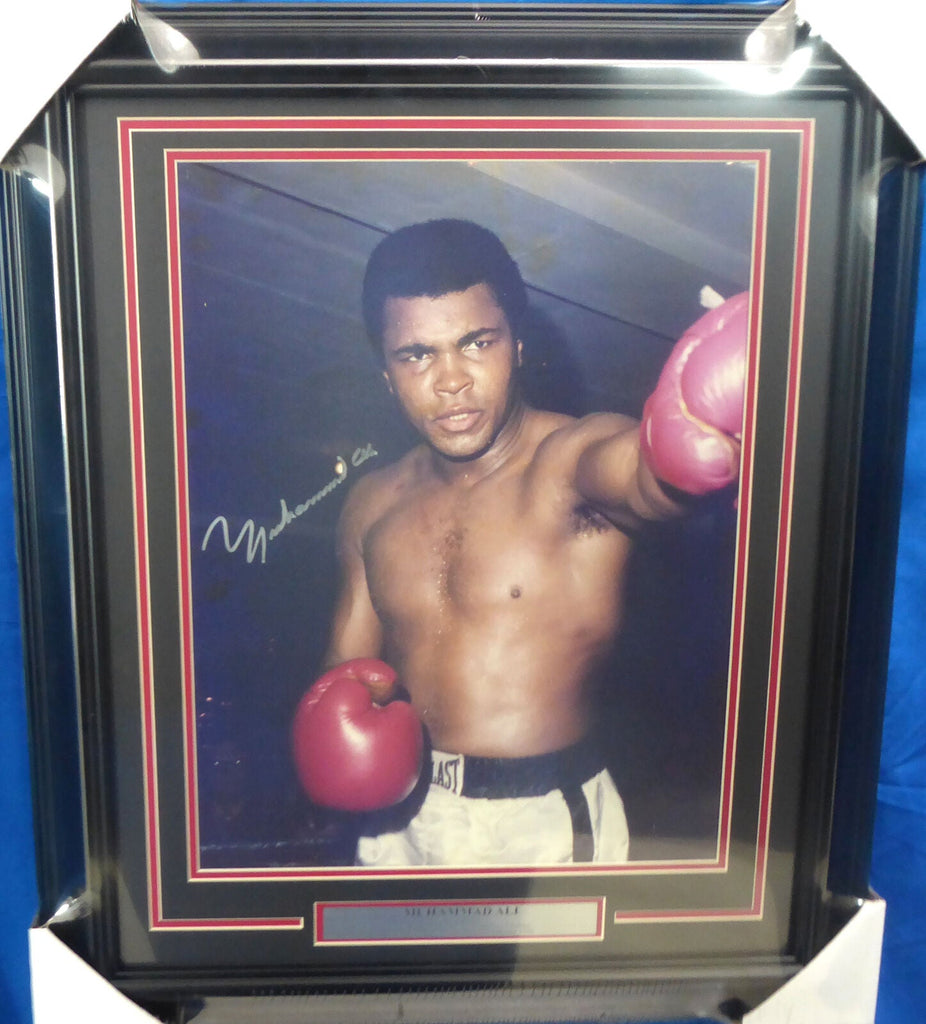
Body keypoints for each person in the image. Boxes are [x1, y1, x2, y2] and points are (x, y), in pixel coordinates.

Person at [291, 218, 746, 867]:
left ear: (519, 345)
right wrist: (336, 751)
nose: (451, 380)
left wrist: (696, 428)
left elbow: (650, 476)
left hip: (545, 822)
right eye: (417, 355)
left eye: (476, 343)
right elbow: (344, 669)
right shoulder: (371, 502)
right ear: (386, 374)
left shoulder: (568, 462)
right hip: (398, 824)